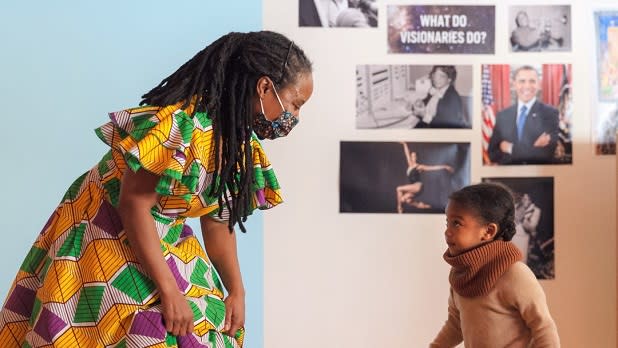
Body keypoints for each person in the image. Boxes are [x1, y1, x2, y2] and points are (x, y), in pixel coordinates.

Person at [0, 31, 313, 348]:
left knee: (212, 327)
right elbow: (133, 204)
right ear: (264, 87)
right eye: (295, 104)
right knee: (147, 331)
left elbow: (218, 220)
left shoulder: (236, 144)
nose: (295, 117)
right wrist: (168, 289)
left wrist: (236, 291)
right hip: (105, 227)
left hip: (163, 233)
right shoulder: (184, 126)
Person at [431, 183, 560, 347]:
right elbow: (456, 324)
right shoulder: (460, 275)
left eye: (457, 223)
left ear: (488, 232)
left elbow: (543, 329)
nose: (447, 231)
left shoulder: (515, 274)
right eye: (447, 223)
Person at [487, 65, 560, 164]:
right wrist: (532, 149)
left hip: (538, 177)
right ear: (514, 84)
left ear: (539, 84)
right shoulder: (503, 115)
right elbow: (492, 154)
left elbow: (545, 154)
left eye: (532, 81)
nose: (527, 86)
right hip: (509, 176)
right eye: (522, 81)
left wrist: (510, 148)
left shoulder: (550, 113)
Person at [396, 142, 453, 213]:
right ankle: (424, 206)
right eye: (412, 156)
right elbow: (407, 153)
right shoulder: (410, 165)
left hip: (418, 186)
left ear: (417, 158)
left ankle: (399, 208)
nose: (413, 158)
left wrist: (444, 166)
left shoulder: (419, 167)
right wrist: (405, 144)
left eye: (415, 156)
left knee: (399, 189)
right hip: (414, 188)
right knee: (405, 200)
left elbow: (432, 168)